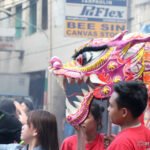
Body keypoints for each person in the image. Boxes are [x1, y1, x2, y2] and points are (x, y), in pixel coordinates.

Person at [107, 81, 150, 150]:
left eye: (111, 106)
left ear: (124, 112)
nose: (108, 109)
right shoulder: (148, 133)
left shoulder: (122, 143)